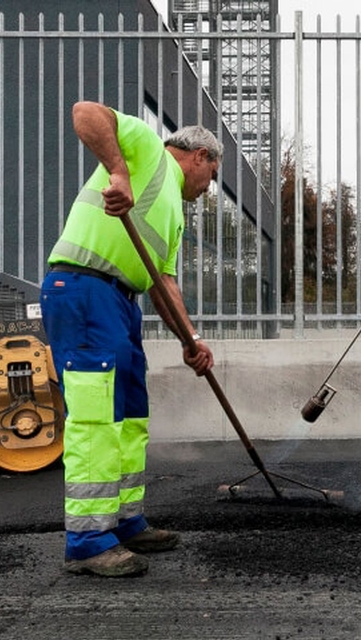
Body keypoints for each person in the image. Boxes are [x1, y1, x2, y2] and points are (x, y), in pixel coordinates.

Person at [41, 101, 219, 577]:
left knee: (131, 414)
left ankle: (123, 521)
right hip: (83, 288)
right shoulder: (147, 148)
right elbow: (84, 112)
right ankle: (87, 541)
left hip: (121, 303)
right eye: (213, 174)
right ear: (199, 155)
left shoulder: (174, 219)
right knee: (97, 417)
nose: (208, 188)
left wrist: (190, 341)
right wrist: (117, 173)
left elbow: (164, 284)